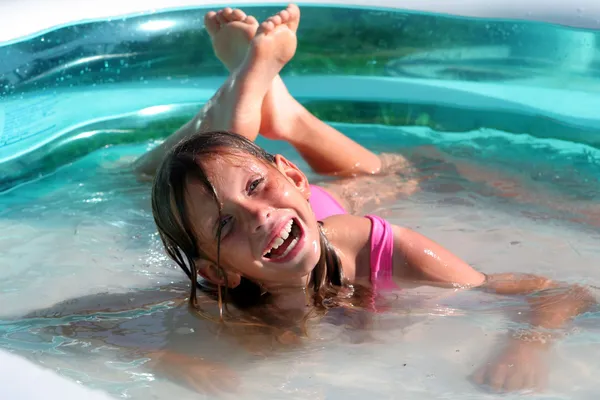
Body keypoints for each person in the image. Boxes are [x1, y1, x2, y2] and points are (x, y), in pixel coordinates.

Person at [138, 4, 596, 394]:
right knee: (209, 178)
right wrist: (186, 366)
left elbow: (556, 292)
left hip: (320, 212)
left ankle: (255, 92)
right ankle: (267, 104)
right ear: (218, 273)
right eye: (225, 225)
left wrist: (526, 344)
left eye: (258, 191)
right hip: (292, 214)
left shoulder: (374, 247)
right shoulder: (218, 299)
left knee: (393, 174)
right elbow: (70, 329)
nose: (256, 217)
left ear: (294, 175)